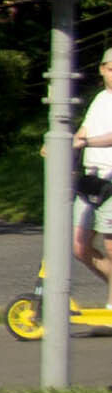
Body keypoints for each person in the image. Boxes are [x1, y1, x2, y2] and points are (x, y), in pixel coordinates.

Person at [74, 50, 112, 283]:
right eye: (111, 70)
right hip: (91, 179)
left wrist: (85, 142)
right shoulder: (99, 99)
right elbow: (84, 131)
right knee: (79, 247)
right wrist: (59, 146)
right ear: (102, 69)